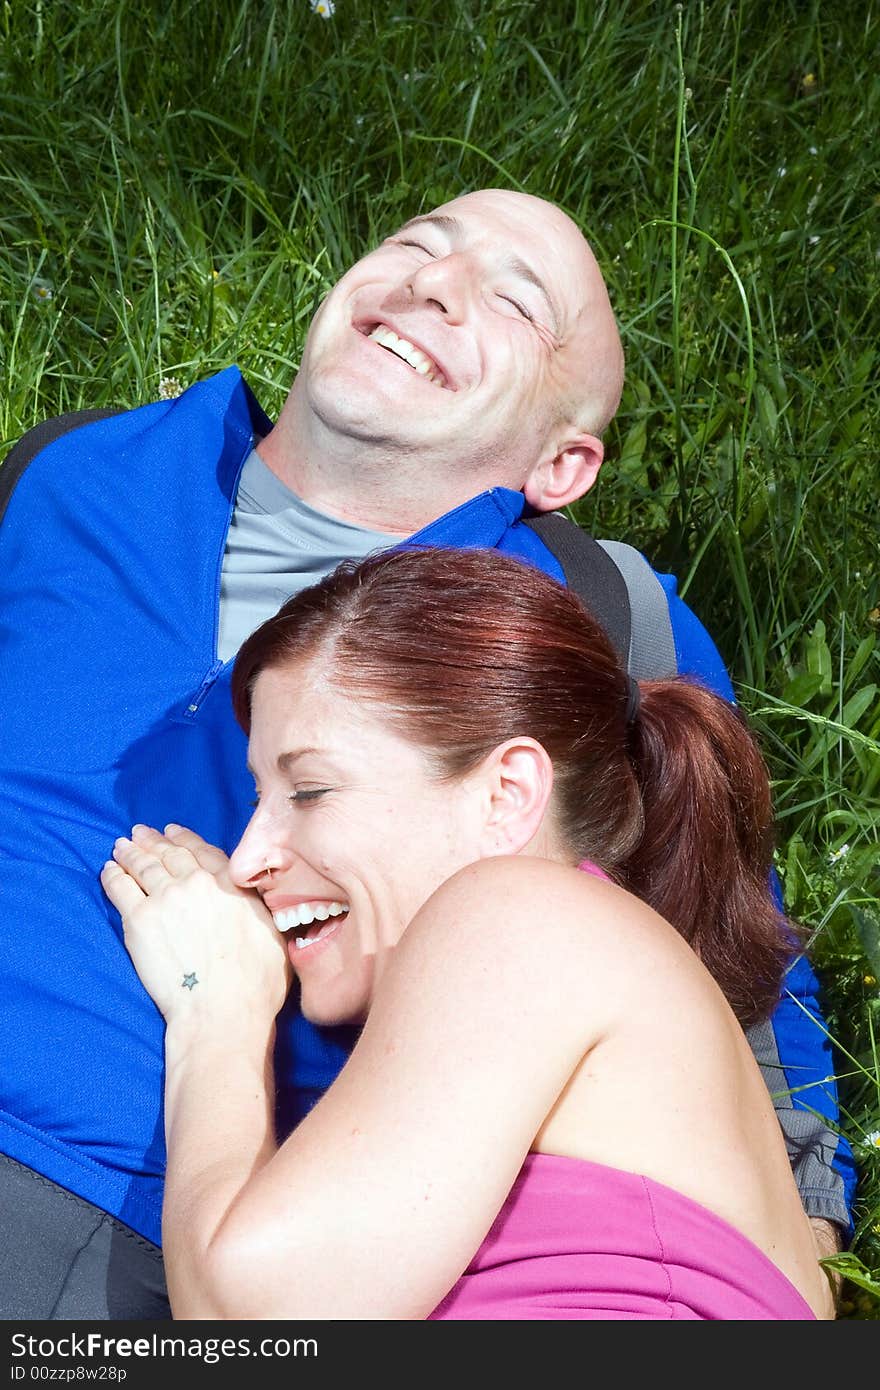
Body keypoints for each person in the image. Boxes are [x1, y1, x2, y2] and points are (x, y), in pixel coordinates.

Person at [0, 189, 851, 1319]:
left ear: (563, 464)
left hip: (143, 1218)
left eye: (513, 300)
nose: (434, 283)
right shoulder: (75, 468)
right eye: (413, 245)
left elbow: (728, 947)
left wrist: (799, 1225)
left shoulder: (596, 616)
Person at [101, 546, 836, 1320]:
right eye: (259, 795)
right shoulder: (623, 998)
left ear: (506, 795)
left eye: (309, 790)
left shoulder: (524, 915)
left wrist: (216, 1010)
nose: (249, 859)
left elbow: (252, 1319)